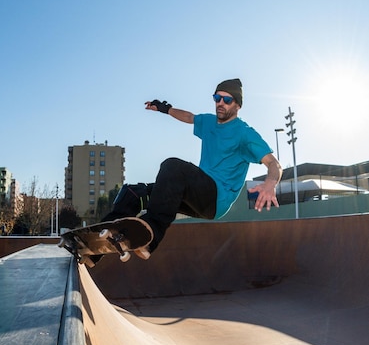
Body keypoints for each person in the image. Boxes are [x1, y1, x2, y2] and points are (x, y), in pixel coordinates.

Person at [102, 78, 282, 256]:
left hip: (216, 198)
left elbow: (273, 163)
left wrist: (270, 183)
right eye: (217, 98)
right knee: (135, 193)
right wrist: (165, 109)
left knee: (172, 167)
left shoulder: (245, 133)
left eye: (227, 100)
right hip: (196, 193)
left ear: (237, 105)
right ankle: (101, 237)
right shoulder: (209, 121)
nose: (220, 103)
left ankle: (151, 237)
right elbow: (189, 117)